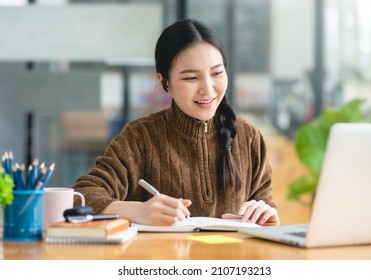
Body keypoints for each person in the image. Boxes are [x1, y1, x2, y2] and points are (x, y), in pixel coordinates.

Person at [72, 18, 279, 227]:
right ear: (165, 82)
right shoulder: (141, 137)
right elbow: (81, 195)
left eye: (216, 73)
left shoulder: (249, 137)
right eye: (191, 78)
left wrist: (266, 214)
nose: (207, 89)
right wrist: (137, 211)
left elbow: (267, 214)